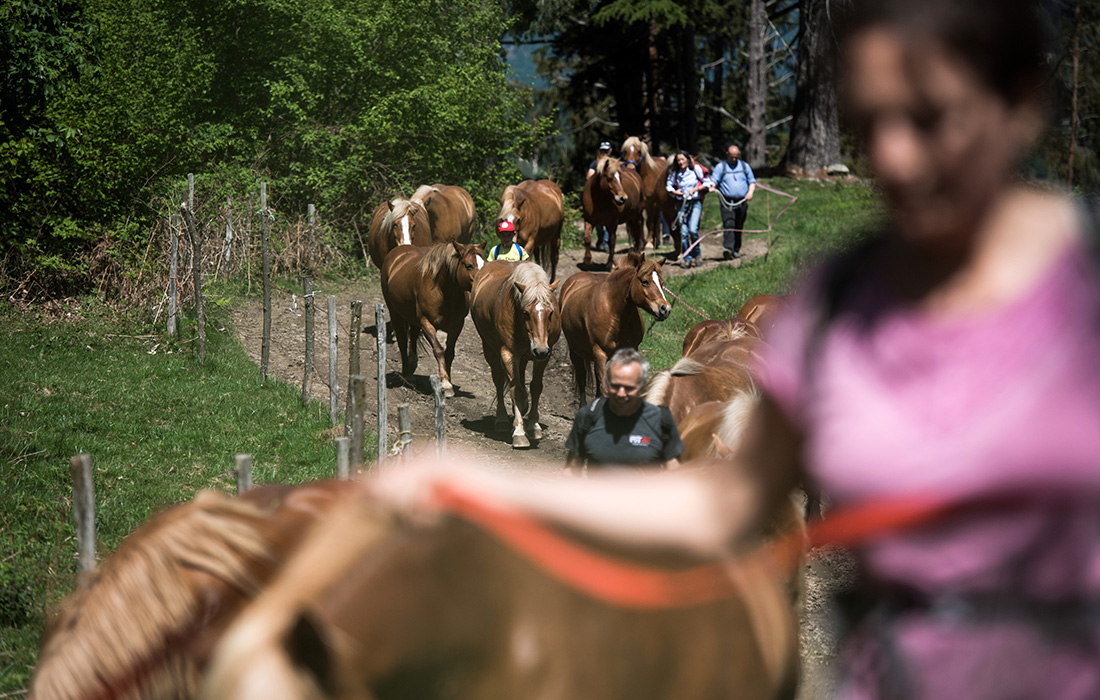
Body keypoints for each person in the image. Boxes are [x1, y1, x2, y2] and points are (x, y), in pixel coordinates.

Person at [371, 0, 1100, 696]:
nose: (895, 156)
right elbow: (731, 499)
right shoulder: (841, 302)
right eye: (870, 123)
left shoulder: (1081, 298)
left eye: (929, 115)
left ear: (1020, 103)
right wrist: (481, 484)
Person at [564, 348, 683, 475]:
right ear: (606, 383)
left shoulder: (660, 420)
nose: (621, 393)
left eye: (628, 388)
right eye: (615, 386)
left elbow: (674, 471)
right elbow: (571, 469)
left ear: (642, 387)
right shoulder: (588, 416)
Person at [709, 145, 756, 259]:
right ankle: (728, 249)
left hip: (742, 201)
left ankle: (736, 249)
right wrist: (712, 186)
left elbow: (752, 181)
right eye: (731, 157)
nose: (734, 159)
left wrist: (750, 192)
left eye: (736, 157)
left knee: (739, 225)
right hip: (727, 201)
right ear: (727, 155)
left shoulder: (745, 166)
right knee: (729, 223)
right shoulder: (721, 167)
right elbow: (713, 180)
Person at [665, 152, 710, 268]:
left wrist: (696, 189)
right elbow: (668, 185)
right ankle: (687, 257)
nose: (681, 162)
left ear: (687, 160)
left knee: (693, 230)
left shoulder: (695, 170)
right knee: (683, 232)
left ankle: (697, 254)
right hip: (681, 203)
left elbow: (707, 182)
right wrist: (675, 192)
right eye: (679, 160)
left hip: (695, 202)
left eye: (682, 159)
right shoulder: (675, 173)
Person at [586, 141, 614, 252]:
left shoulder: (614, 164)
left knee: (610, 220)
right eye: (603, 150)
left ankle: (606, 243)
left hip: (610, 196)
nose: (605, 153)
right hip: (598, 197)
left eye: (606, 150)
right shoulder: (595, 164)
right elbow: (589, 176)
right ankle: (601, 239)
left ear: (610, 151)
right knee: (598, 222)